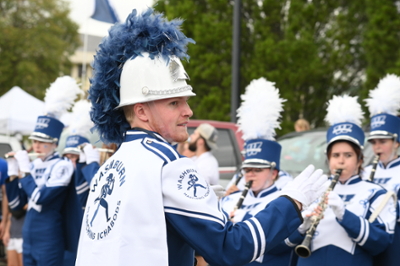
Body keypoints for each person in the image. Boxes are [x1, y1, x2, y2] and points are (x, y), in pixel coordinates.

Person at [75, 8, 328, 266]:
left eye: (185, 101)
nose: (188, 111)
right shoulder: (168, 165)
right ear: (141, 110)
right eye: (174, 103)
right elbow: (232, 248)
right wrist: (290, 202)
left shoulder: (109, 167)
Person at [287, 95, 396, 266]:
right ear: (328, 159)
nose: (341, 161)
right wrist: (301, 227)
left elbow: (381, 243)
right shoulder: (310, 190)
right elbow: (283, 244)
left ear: (360, 160)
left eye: (348, 155)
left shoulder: (377, 194)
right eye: (335, 155)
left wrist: (345, 216)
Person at [5, 76, 82, 266]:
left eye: (42, 142)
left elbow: (40, 197)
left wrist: (25, 170)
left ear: (54, 143)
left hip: (49, 235)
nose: (36, 146)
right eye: (35, 141)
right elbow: (16, 205)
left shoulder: (62, 166)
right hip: (28, 233)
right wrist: (13, 173)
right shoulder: (33, 165)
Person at [221, 77, 296, 265]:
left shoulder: (282, 200)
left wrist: (243, 219)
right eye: (247, 169)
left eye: (257, 169)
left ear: (274, 172)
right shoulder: (230, 199)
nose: (250, 174)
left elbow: (283, 241)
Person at [362, 74, 400, 266]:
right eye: (374, 142)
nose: (377, 147)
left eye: (383, 142)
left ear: (396, 142)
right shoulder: (365, 171)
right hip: (368, 236)